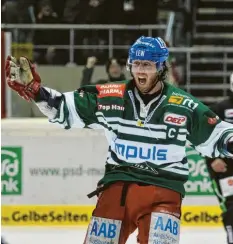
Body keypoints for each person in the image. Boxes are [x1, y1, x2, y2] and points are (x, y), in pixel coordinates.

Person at [5, 36, 233, 244]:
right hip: (118, 188)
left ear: (161, 68)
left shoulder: (185, 106)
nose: (140, 71)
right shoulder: (110, 96)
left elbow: (217, 135)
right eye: (136, 64)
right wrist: (35, 90)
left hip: (163, 191)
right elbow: (65, 108)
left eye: (148, 65)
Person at [205, 74, 233, 244]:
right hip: (225, 168)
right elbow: (203, 136)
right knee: (231, 209)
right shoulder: (219, 108)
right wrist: (211, 159)